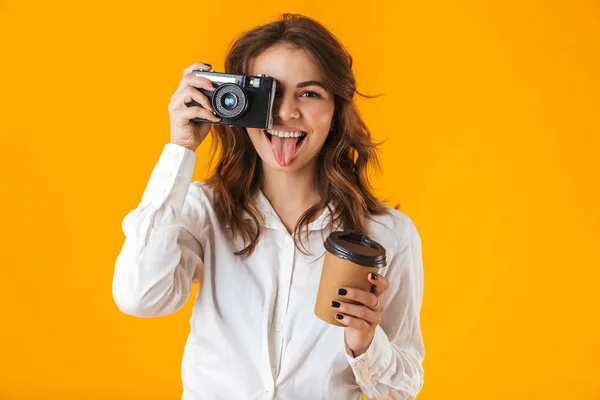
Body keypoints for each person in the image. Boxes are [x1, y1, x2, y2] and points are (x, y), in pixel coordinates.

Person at [112, 13, 425, 400]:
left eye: (309, 93)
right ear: (236, 103)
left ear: (336, 110)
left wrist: (365, 345)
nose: (285, 112)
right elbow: (140, 296)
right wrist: (181, 149)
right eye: (268, 94)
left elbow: (403, 389)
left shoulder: (387, 234)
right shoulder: (203, 211)